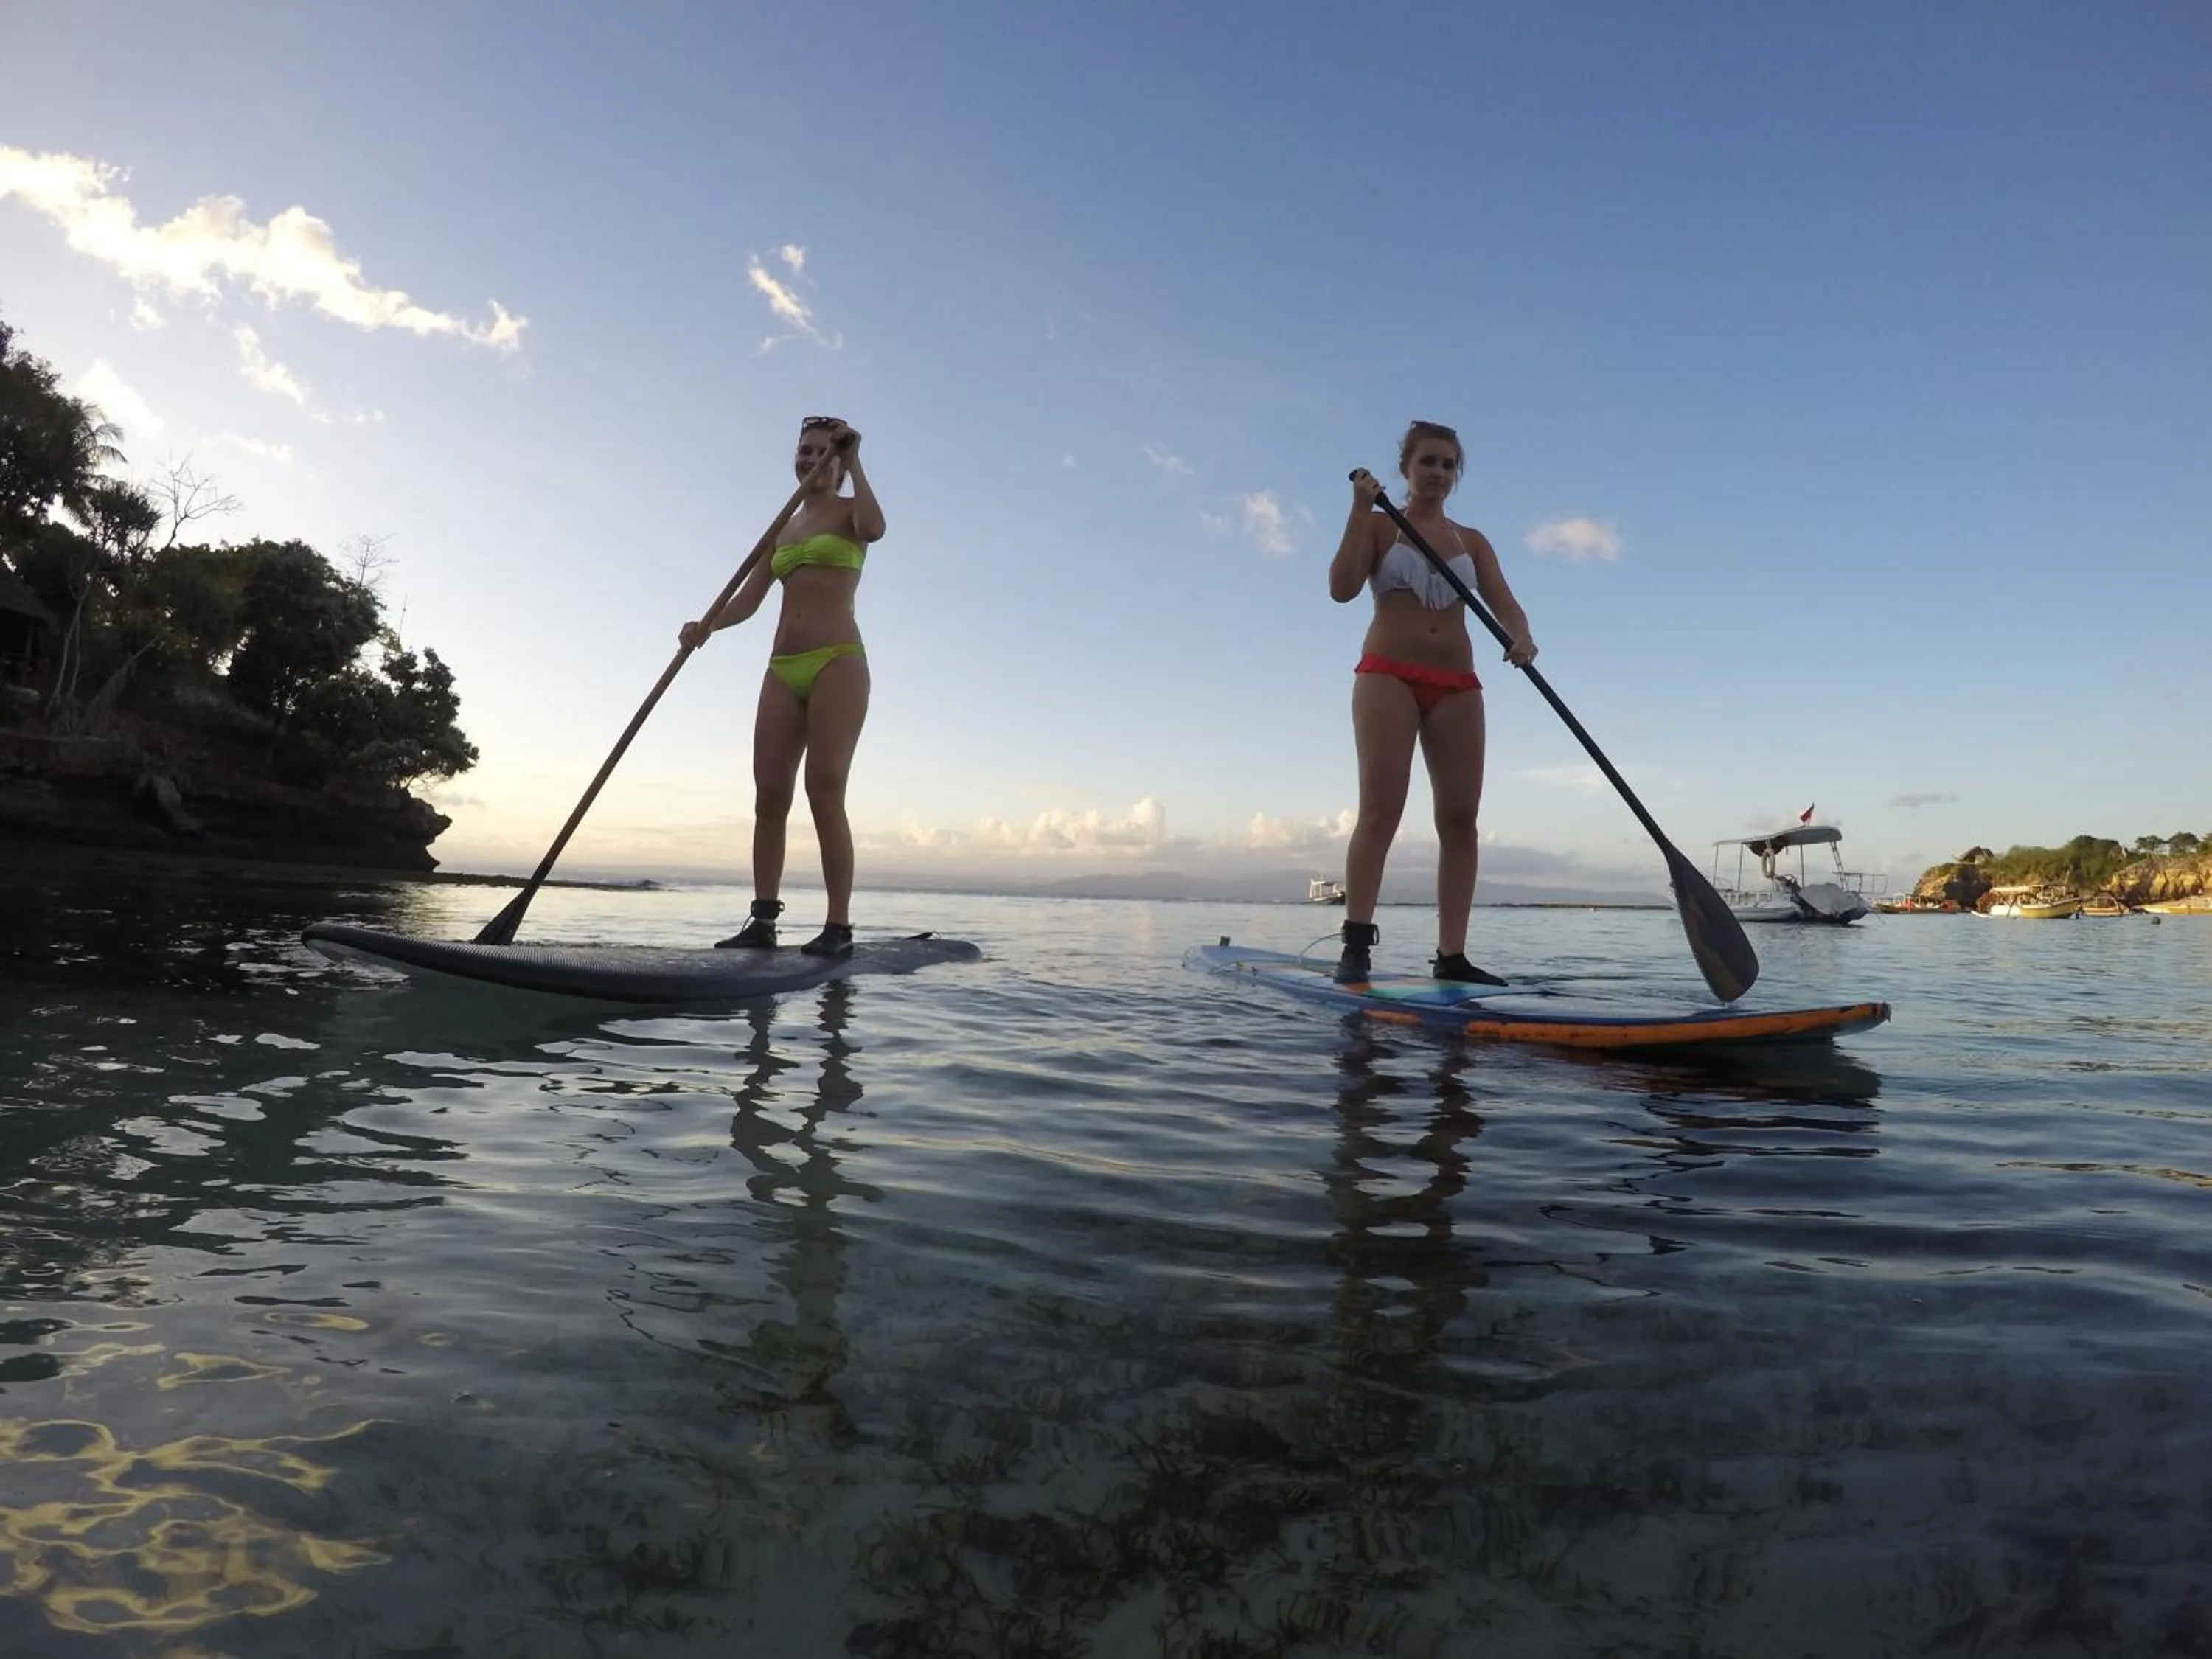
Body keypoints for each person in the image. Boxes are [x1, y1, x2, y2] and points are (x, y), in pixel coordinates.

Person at [1326, 419, 1536, 985]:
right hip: (1387, 676)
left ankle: (1452, 956)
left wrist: (1521, 635)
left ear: (1456, 473)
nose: (1438, 473)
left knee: (1461, 820)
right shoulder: (1378, 525)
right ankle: (1357, 945)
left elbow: (1506, 604)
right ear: (1407, 468)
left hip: (1457, 686)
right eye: (1428, 463)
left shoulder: (1472, 541)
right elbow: (1342, 588)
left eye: (1448, 464)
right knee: (1381, 810)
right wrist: (1356, 509)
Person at [680, 417, 885, 956]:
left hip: (837, 662)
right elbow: (747, 601)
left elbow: (876, 528)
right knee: (769, 796)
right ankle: (763, 921)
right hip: (781, 668)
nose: (808, 459)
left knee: (824, 788)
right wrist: (707, 627)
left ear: (837, 463)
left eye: (821, 451)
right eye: (802, 451)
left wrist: (857, 460)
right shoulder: (782, 529)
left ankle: (837, 927)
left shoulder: (849, 512)